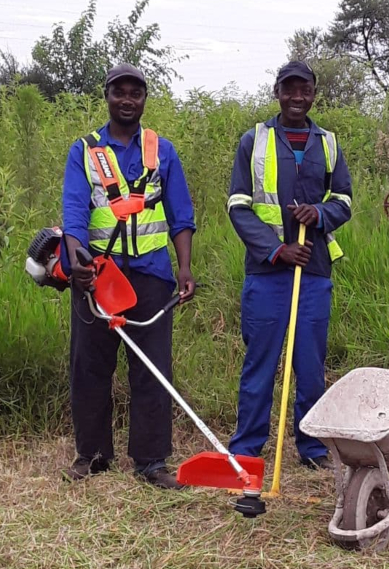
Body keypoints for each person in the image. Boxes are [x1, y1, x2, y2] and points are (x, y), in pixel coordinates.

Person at [61, 64, 196, 490]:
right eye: (119, 92)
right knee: (90, 366)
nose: (127, 100)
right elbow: (74, 216)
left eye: (135, 93)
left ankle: (151, 461)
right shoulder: (84, 151)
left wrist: (185, 268)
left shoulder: (163, 151)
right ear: (107, 96)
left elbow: (181, 215)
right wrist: (79, 263)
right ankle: (93, 456)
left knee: (153, 369)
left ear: (143, 99)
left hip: (153, 275)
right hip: (98, 275)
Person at [226, 61, 352, 469]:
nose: (298, 97)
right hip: (267, 273)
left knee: (311, 366)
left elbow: (344, 200)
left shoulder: (329, 143)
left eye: (306, 90)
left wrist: (319, 213)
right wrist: (276, 250)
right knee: (260, 362)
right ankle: (246, 449)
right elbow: (238, 206)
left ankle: (313, 448)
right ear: (277, 91)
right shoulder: (254, 141)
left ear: (314, 93)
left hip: (313, 272)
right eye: (290, 89)